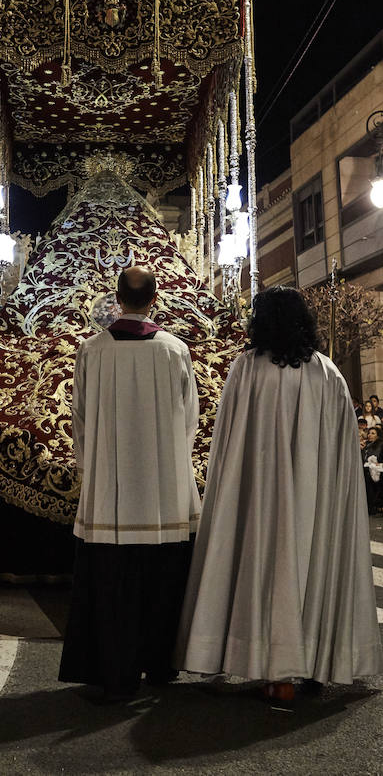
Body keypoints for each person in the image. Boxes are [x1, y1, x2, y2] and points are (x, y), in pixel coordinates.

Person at [174, 286, 382, 700]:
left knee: (264, 566)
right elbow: (344, 452)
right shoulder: (328, 373)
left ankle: (272, 667)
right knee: (313, 562)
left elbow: (228, 443)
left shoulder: (247, 368)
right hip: (315, 497)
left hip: (258, 499)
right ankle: (316, 661)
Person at [59, 266, 200, 700]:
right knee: (162, 583)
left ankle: (116, 675)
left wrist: (94, 471)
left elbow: (80, 420)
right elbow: (189, 420)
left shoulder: (92, 350)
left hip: (111, 496)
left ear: (116, 300)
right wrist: (172, 469)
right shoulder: (175, 350)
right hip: (164, 494)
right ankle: (160, 666)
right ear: (155, 300)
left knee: (114, 587)